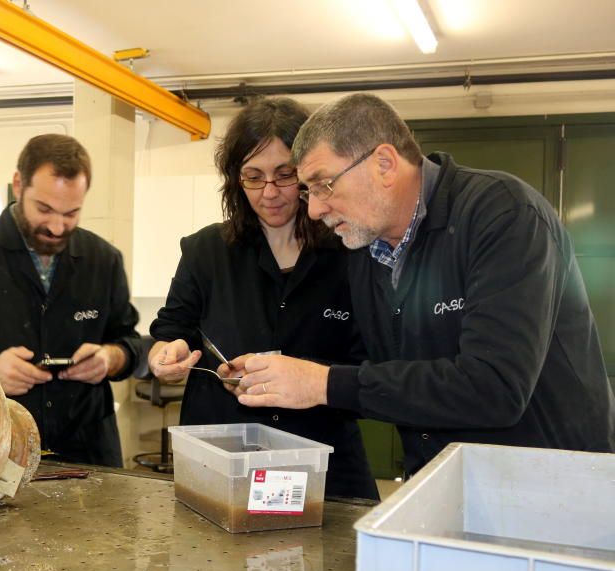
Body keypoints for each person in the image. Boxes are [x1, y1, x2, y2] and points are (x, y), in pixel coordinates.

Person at [234, 93, 615, 475]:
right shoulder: (365, 251)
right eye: (308, 191)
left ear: (384, 163)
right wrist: (284, 377)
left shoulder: (503, 216)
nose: (314, 210)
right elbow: (383, 371)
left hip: (556, 481)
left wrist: (321, 383)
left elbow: (495, 387)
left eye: (324, 186)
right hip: (445, 478)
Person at [148, 97, 379, 499]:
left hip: (321, 462)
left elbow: (371, 368)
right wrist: (167, 354)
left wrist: (306, 378)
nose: (269, 193)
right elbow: (172, 330)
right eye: (253, 177)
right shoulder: (207, 251)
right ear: (235, 179)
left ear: (309, 172)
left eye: (284, 175)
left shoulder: (351, 251)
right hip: (222, 459)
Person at [0, 134, 141, 467]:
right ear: (19, 185)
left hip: (88, 453)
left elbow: (130, 341)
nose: (56, 226)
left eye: (71, 214)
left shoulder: (104, 260)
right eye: (45, 209)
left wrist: (110, 358)